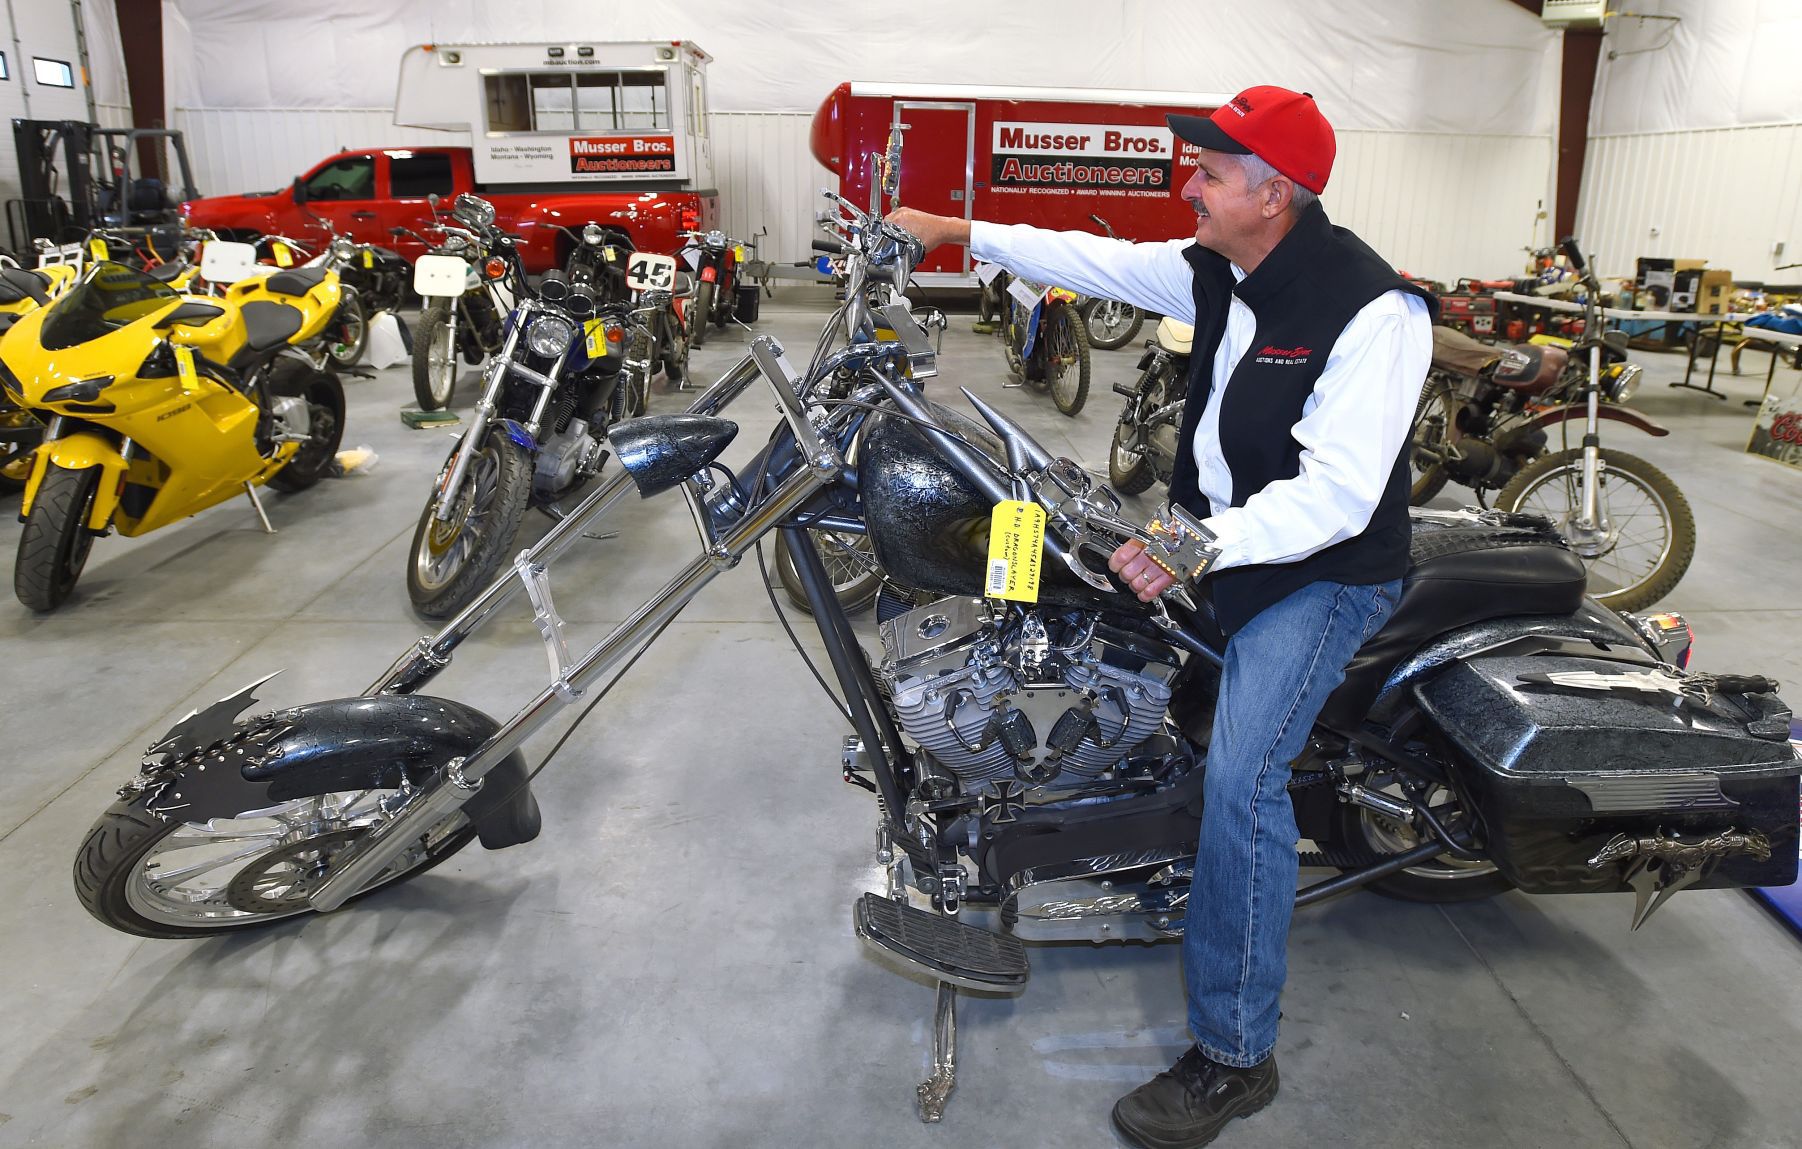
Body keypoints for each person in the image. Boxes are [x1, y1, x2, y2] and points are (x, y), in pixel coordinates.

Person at [889, 85, 1435, 1148]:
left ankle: (1234, 1055)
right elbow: (1082, 261)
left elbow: (1337, 495)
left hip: (1315, 575)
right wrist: (950, 229)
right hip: (1219, 541)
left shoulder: (1373, 310)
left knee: (1242, 781)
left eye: (1212, 174)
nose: (1191, 185)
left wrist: (1189, 544)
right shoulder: (1216, 267)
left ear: (1271, 194)